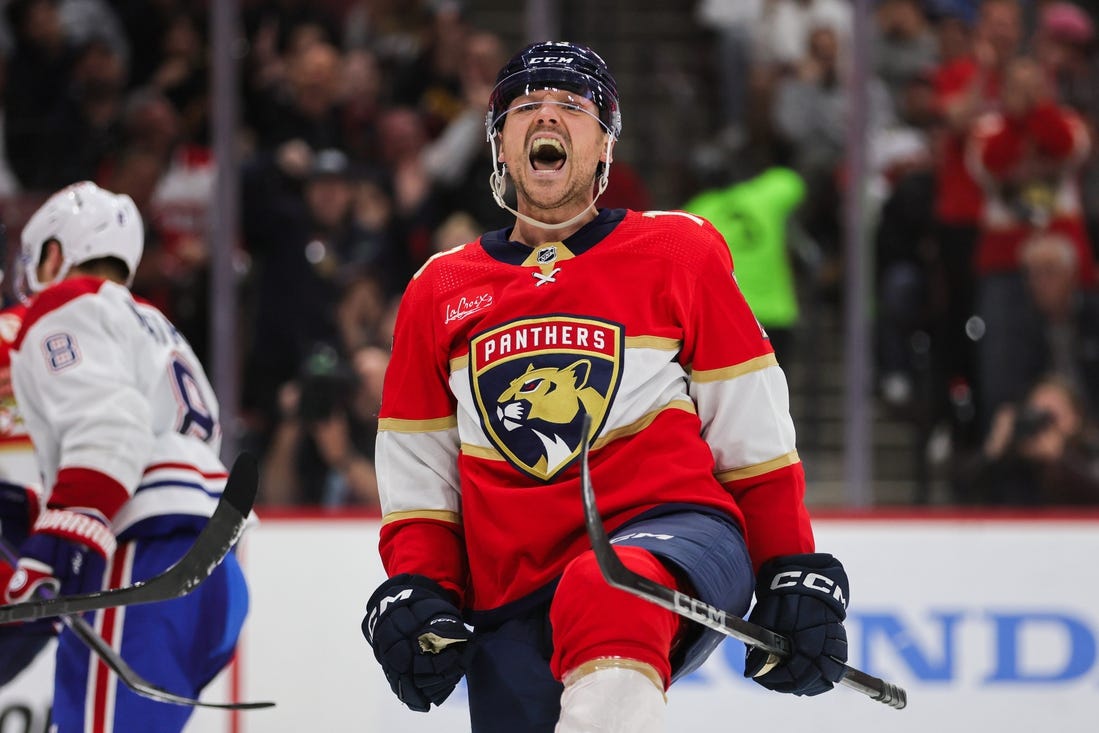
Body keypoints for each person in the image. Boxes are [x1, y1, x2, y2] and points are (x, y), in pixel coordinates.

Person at [361, 41, 851, 732]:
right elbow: (420, 477)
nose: (546, 118)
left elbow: (752, 434)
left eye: (572, 106)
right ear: (500, 143)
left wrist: (789, 564)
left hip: (672, 536)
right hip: (512, 584)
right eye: (524, 107)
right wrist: (419, 585)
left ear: (603, 144)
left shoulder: (679, 250)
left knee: (607, 579)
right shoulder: (437, 289)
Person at [1, 182, 249, 731]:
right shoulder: (156, 324)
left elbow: (111, 429)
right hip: (212, 569)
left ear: (55, 254)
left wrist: (56, 544)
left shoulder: (64, 304)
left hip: (142, 560)